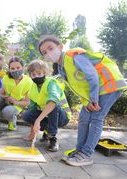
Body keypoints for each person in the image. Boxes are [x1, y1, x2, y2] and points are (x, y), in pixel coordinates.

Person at [38, 35, 127, 166]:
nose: (48, 53)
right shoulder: (63, 68)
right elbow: (79, 87)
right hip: (98, 89)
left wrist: (93, 99)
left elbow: (92, 75)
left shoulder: (73, 56)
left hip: (109, 85)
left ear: (60, 46)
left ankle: (86, 154)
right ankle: (79, 151)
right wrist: (86, 102)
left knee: (96, 118)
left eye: (50, 48)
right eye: (44, 52)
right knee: (84, 118)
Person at [21, 60, 71, 152]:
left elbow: (52, 103)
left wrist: (38, 121)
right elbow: (33, 109)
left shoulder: (51, 83)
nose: (36, 76)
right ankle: (47, 131)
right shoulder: (32, 88)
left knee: (52, 105)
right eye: (33, 74)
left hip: (62, 117)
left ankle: (52, 138)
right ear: (30, 76)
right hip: (48, 116)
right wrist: (32, 133)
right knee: (26, 114)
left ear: (45, 73)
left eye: (39, 73)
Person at [0, 56, 32, 131]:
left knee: (8, 111)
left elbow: (27, 102)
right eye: (12, 69)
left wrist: (15, 102)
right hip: (6, 102)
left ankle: (12, 120)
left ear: (23, 67)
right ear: (9, 69)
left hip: (18, 105)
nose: (15, 70)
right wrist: (5, 97)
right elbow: (1, 93)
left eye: (18, 67)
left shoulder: (29, 81)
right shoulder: (6, 78)